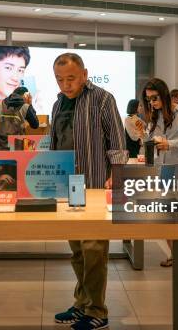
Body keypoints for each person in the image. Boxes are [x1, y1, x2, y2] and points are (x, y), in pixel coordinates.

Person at [51, 53, 128, 330]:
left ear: (84, 74)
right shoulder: (58, 103)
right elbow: (56, 144)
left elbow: (118, 142)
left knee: (94, 249)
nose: (66, 84)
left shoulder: (103, 99)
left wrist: (116, 174)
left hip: (94, 185)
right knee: (77, 250)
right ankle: (81, 303)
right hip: (68, 187)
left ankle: (98, 310)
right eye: (60, 79)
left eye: (71, 78)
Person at [142, 78, 178, 272]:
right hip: (160, 169)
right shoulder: (154, 115)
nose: (152, 102)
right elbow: (150, 139)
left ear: (164, 94)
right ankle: (176, 255)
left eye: (155, 97)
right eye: (148, 99)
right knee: (165, 215)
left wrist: (169, 144)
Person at [0, 86, 39, 150]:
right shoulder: (25, 107)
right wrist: (30, 104)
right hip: (18, 149)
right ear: (25, 95)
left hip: (1, 148)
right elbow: (35, 125)